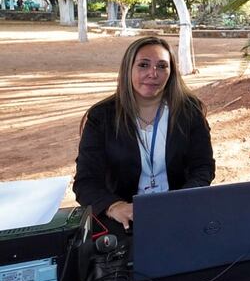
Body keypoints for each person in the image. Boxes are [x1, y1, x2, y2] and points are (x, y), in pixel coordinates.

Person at [73, 37, 215, 230]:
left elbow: (203, 167)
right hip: (124, 221)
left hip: (179, 213)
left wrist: (181, 200)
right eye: (143, 65)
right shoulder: (102, 116)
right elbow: (86, 181)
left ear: (171, 73)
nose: (152, 73)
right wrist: (114, 206)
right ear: (128, 69)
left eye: (162, 66)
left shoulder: (189, 111)